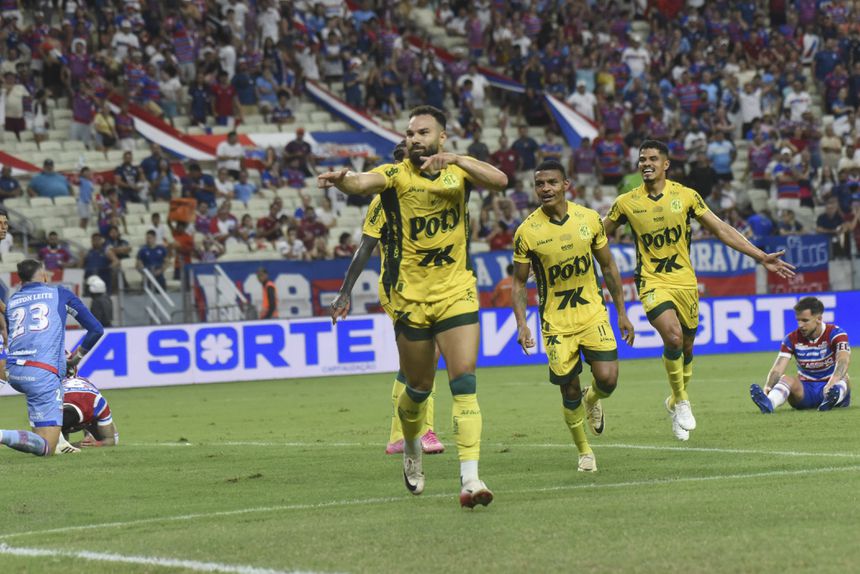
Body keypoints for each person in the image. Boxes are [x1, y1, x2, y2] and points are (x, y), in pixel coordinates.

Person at [319, 105, 507, 507]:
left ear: (441, 137)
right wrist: (344, 181)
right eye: (409, 133)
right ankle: (410, 444)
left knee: (464, 383)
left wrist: (457, 159)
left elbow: (501, 180)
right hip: (409, 298)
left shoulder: (460, 173)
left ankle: (471, 479)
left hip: (456, 291)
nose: (414, 138)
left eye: (423, 132)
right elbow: (362, 185)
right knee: (418, 387)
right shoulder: (393, 177)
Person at [602, 140, 795, 441]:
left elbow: (721, 229)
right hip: (652, 281)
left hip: (685, 282)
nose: (646, 163)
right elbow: (598, 235)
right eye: (642, 159)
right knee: (674, 336)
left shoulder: (686, 196)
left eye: (653, 158)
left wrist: (760, 256)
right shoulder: (626, 202)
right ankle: (681, 401)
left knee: (688, 347)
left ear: (666, 164)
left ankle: (672, 400)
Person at [512, 161, 634, 472]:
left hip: (592, 312)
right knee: (567, 388)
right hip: (556, 322)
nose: (545, 189)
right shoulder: (527, 231)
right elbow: (518, 282)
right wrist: (522, 324)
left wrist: (622, 312)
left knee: (608, 379)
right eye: (540, 184)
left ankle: (592, 399)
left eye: (552, 182)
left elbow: (608, 267)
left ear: (567, 184)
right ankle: (584, 452)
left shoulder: (589, 219)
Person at [329, 146, 445, 455]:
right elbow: (365, 247)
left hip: (428, 287)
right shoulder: (383, 202)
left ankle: (398, 436)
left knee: (414, 362)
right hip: (398, 287)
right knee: (426, 356)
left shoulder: (430, 195)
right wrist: (344, 290)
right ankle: (425, 431)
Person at [0, 259, 104, 458]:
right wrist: (77, 356)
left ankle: (42, 430)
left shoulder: (13, 301)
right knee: (48, 447)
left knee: (42, 431)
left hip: (14, 372)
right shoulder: (59, 293)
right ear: (44, 275)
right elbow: (96, 329)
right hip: (42, 373)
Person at [750, 297, 851, 414]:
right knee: (786, 379)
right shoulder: (791, 339)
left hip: (830, 385)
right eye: (798, 320)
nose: (800, 325)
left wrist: (831, 383)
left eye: (805, 320)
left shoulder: (836, 334)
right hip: (805, 392)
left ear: (819, 319)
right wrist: (768, 388)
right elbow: (778, 368)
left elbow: (843, 360)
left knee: (844, 378)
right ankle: (769, 403)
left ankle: (831, 399)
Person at [62, 373, 119, 447]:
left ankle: (88, 434)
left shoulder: (98, 403)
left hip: (86, 399)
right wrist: (74, 445)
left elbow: (110, 440)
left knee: (113, 439)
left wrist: (96, 444)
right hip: (67, 397)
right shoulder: (53, 404)